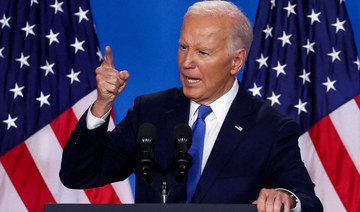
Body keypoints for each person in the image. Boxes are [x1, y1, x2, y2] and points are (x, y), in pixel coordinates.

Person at [60, 1, 323, 212]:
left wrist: (285, 197)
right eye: (183, 47)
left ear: (236, 61)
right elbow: (78, 175)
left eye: (203, 52)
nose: (187, 62)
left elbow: (309, 203)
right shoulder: (150, 112)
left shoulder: (271, 128)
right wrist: (103, 104)